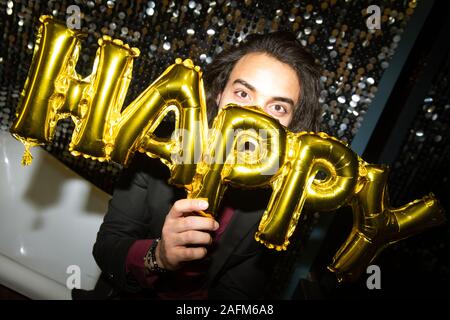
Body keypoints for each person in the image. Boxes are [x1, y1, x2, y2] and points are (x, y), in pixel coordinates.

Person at [84, 31, 322, 300]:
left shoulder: (279, 201)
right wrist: (158, 256)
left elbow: (240, 294)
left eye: (277, 108)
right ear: (219, 95)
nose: (253, 119)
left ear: (292, 127)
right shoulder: (158, 151)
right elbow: (107, 248)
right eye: (243, 93)